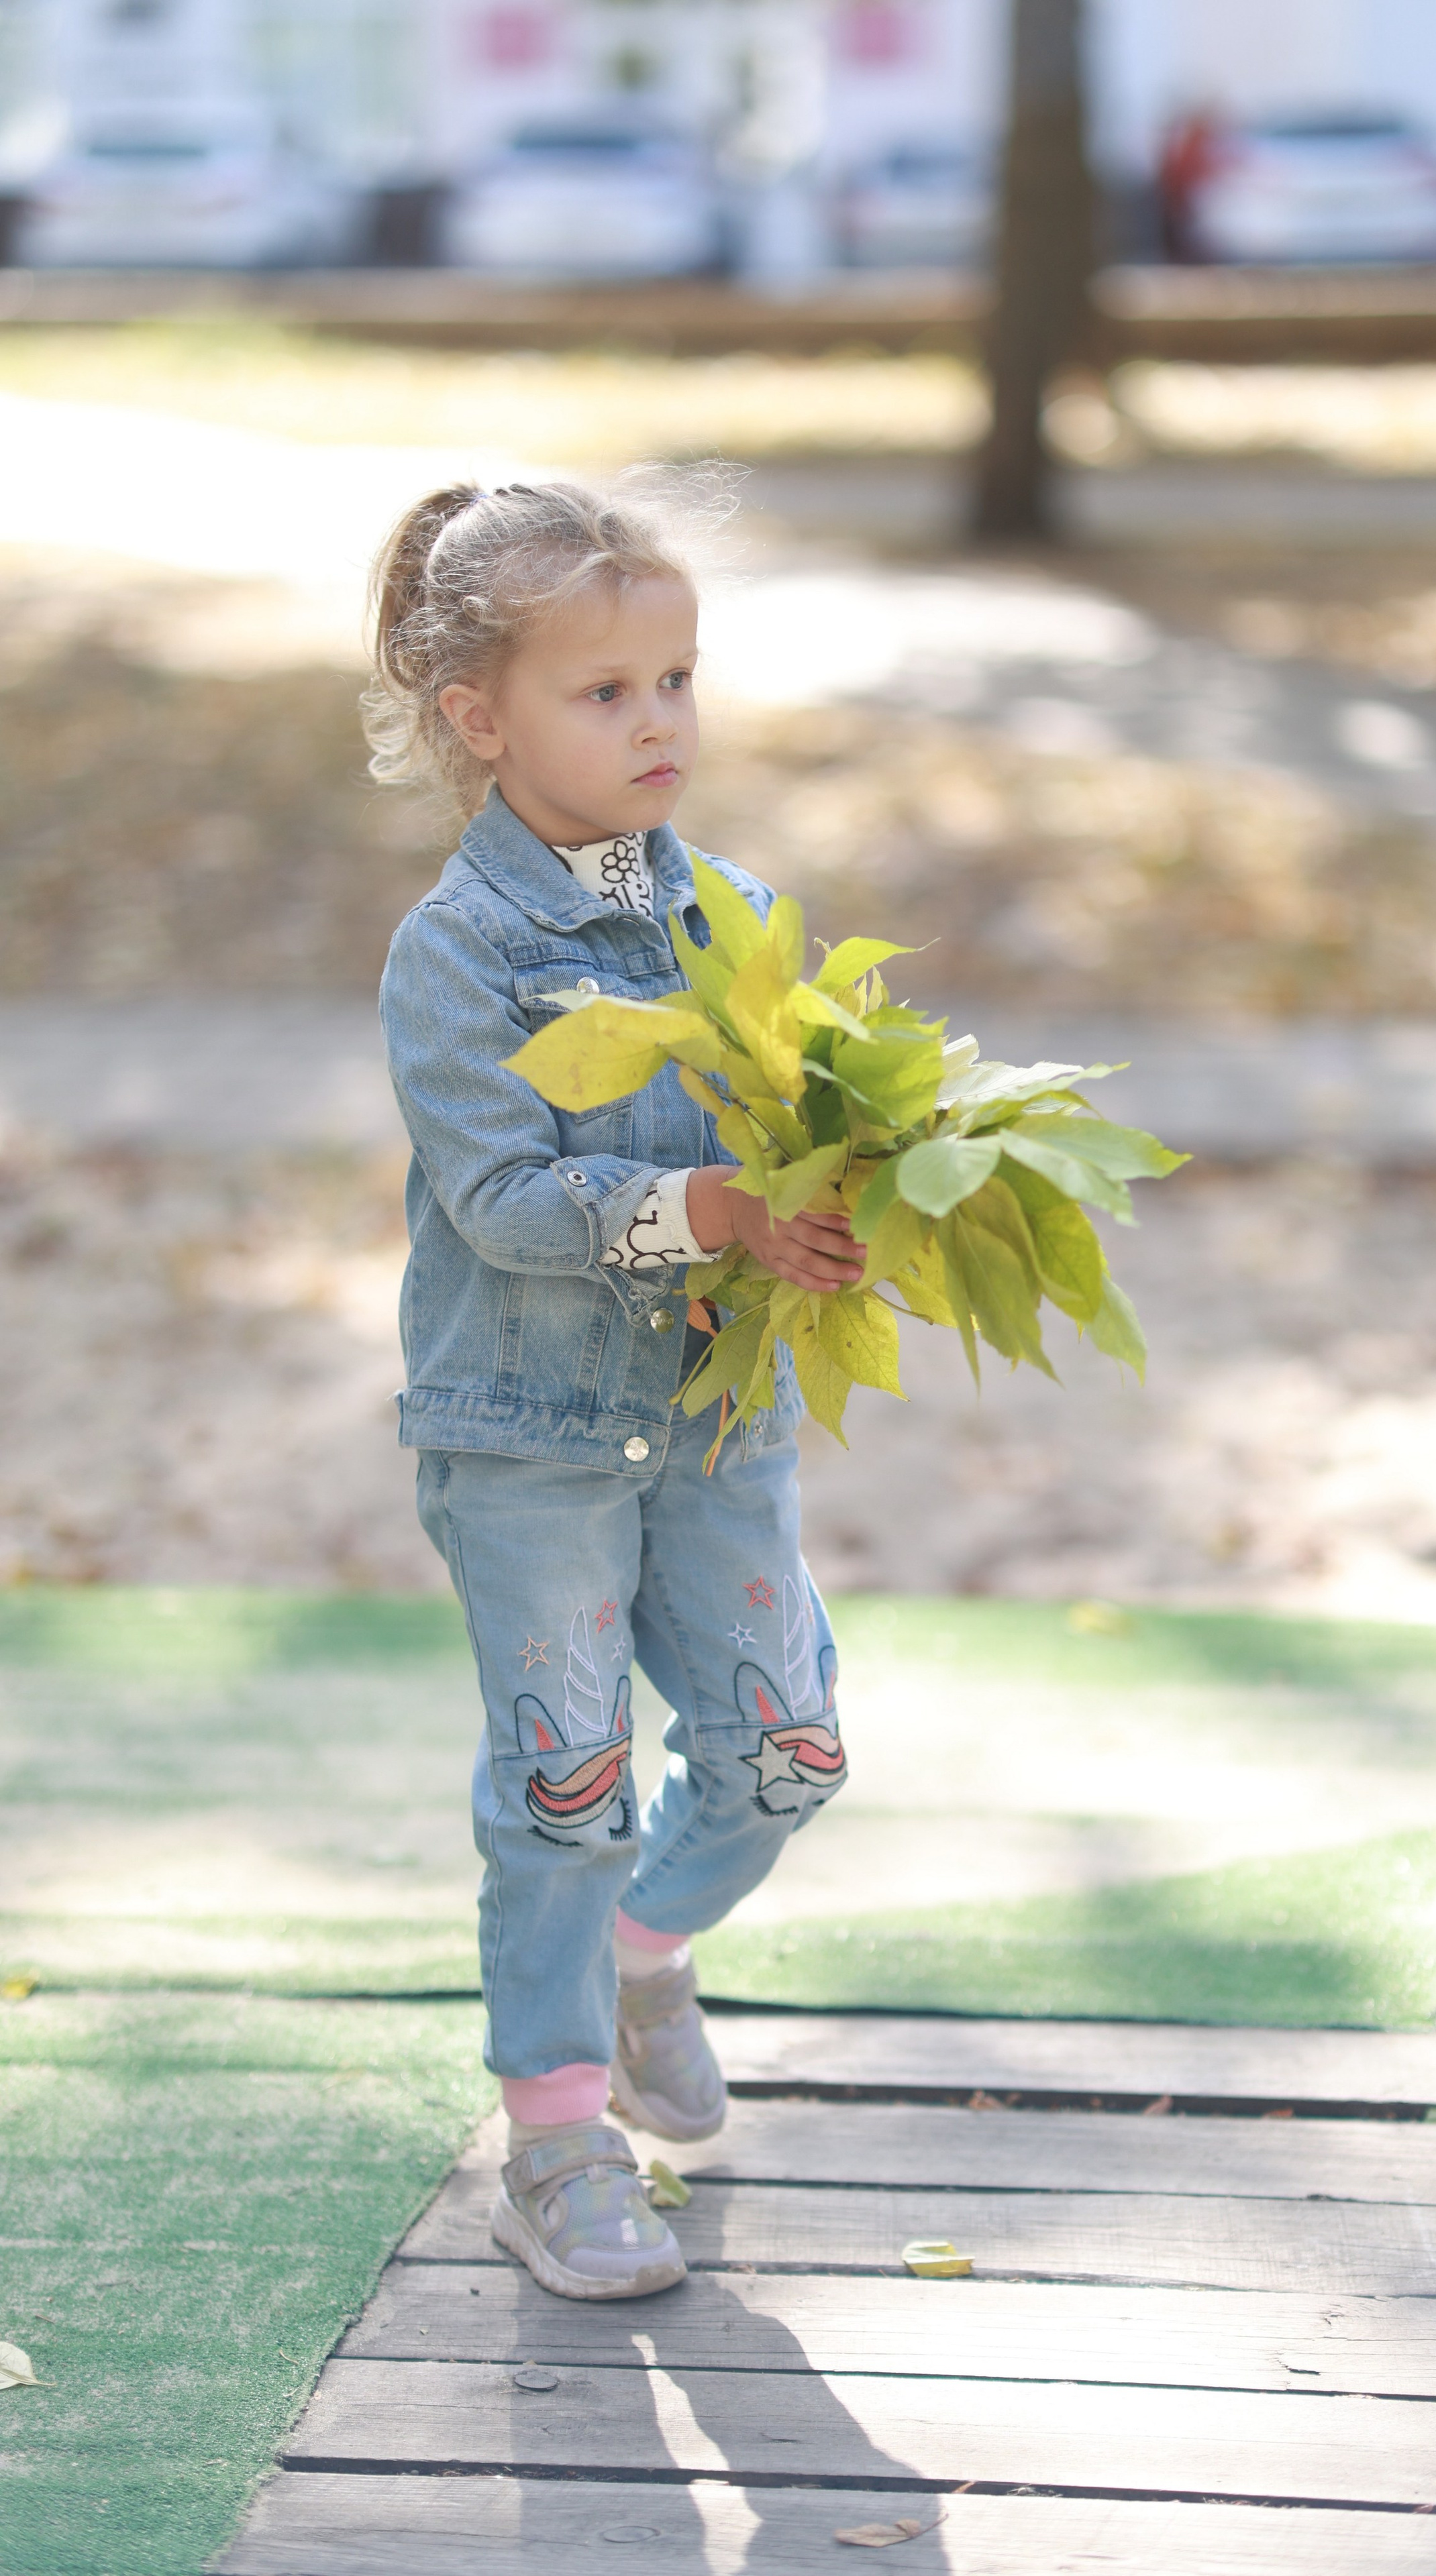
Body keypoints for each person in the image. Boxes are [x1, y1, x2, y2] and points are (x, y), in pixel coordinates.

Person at [366, 477, 860, 2301]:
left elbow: (791, 1143)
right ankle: (556, 2142)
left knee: (786, 1751)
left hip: (719, 1418)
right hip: (531, 1438)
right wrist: (699, 1205)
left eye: (678, 678)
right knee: (565, 1785)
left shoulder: (732, 913)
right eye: (606, 692)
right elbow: (499, 1199)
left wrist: (820, 1217)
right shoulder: (461, 953)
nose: (660, 721)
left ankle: (650, 1954)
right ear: (477, 720)